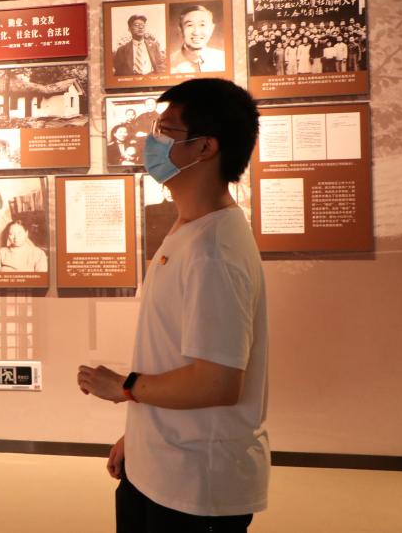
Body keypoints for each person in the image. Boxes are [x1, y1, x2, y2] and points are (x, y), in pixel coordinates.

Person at [77, 78, 267, 532]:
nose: (152, 142)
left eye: (165, 131)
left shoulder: (214, 250)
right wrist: (139, 436)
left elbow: (217, 383)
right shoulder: (190, 228)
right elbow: (173, 356)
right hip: (158, 466)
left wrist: (123, 387)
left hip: (196, 486)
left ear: (205, 147)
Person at [169, 5, 225, 74]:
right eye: (190, 25)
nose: (196, 32)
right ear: (180, 30)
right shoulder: (168, 63)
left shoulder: (223, 59)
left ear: (211, 29)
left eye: (202, 25)